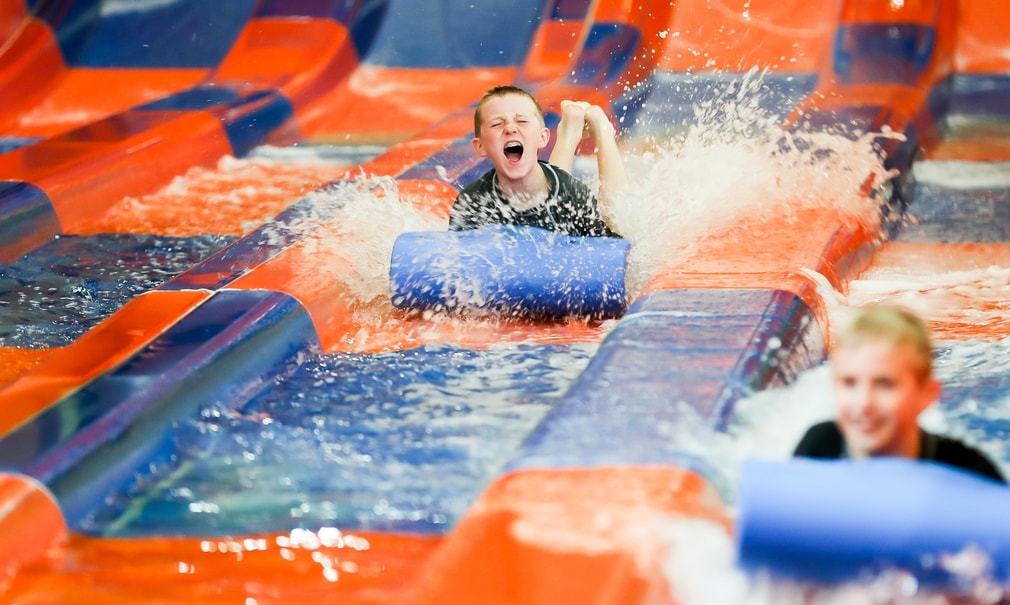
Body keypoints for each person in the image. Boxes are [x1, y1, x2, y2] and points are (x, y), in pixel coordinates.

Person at [794, 305, 1006, 484]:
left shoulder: (966, 474)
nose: (864, 402)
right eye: (849, 383)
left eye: (885, 384)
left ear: (926, 394)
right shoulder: (819, 449)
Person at [448, 85, 627, 237]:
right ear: (481, 147)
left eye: (522, 121)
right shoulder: (473, 201)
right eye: (496, 124)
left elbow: (613, 247)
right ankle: (569, 130)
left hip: (561, 192)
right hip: (552, 189)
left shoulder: (573, 194)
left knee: (617, 223)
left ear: (542, 138)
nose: (510, 128)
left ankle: (602, 131)